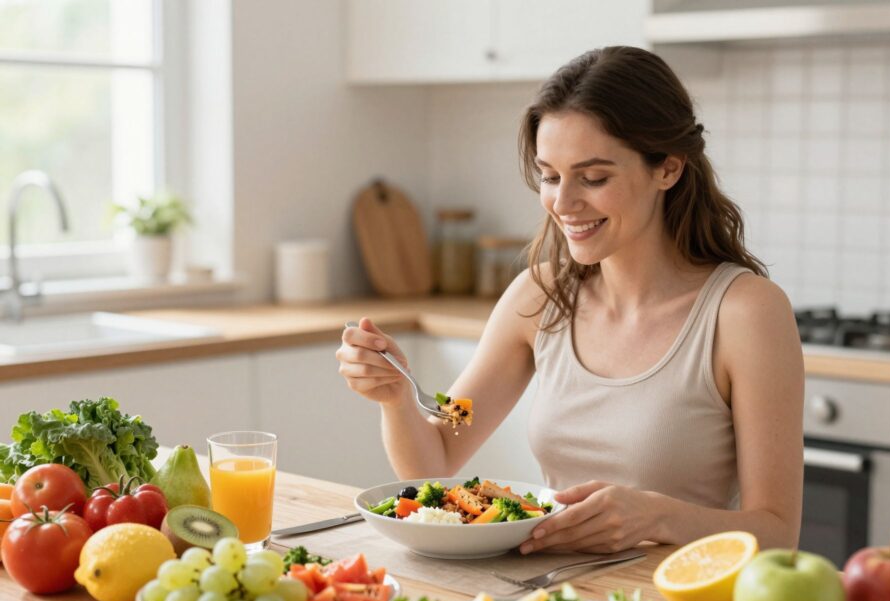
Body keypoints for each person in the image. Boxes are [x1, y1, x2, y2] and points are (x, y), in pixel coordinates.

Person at [337, 46, 804, 555]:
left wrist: (657, 515)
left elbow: (778, 531)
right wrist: (397, 399)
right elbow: (441, 446)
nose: (563, 203)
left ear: (667, 169)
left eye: (594, 177)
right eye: (550, 175)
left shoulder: (745, 314)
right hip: (554, 594)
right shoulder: (537, 300)